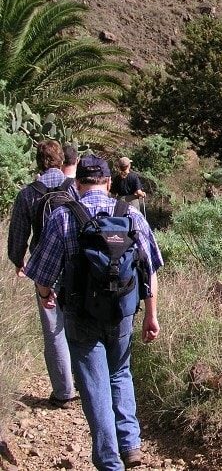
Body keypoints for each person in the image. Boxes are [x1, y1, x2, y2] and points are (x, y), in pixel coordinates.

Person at [25, 155, 163, 470]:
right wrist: (151, 314)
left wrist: (47, 296)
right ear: (109, 182)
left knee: (94, 382)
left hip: (80, 314)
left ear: (77, 185)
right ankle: (130, 445)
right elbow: (149, 267)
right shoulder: (130, 215)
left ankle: (108, 459)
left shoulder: (62, 215)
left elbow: (42, 275)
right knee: (120, 372)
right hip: (122, 311)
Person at [7, 140, 78, 409]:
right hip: (75, 265)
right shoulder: (75, 188)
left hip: (42, 267)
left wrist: (18, 260)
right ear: (62, 160)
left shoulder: (28, 193)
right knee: (76, 323)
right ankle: (85, 380)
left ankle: (64, 392)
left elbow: (18, 231)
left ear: (38, 161)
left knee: (53, 329)